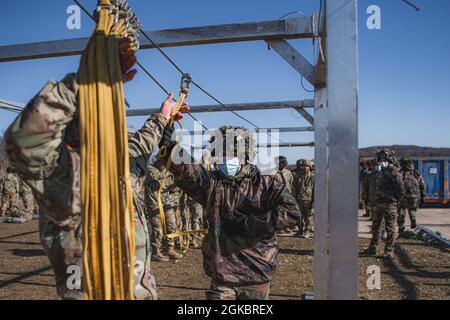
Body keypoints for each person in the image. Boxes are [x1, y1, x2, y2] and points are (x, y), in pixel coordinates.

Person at [4, 37, 188, 300]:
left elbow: (138, 145)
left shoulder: (112, 163)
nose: (116, 124)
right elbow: (24, 142)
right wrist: (81, 83)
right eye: (108, 115)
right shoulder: (68, 177)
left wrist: (162, 118)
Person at [159, 125, 301, 300]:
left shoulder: (265, 185)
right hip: (223, 278)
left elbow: (292, 213)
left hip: (257, 274)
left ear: (245, 155)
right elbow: (189, 171)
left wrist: (251, 224)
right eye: (221, 153)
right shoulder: (211, 184)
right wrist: (172, 148)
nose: (226, 158)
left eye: (231, 153)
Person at [363, 149, 405, 259]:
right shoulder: (378, 172)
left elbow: (401, 190)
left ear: (389, 160)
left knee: (390, 229)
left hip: (389, 205)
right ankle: (373, 247)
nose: (382, 162)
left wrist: (394, 200)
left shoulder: (394, 173)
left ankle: (389, 251)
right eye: (381, 160)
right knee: (376, 227)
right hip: (378, 205)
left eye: (384, 160)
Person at [145, 160, 183, 262]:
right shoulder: (150, 169)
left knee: (171, 225)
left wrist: (179, 183)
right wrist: (174, 179)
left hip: (166, 203)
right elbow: (159, 182)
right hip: (154, 204)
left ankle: (169, 249)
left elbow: (172, 187)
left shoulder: (167, 171)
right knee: (158, 229)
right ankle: (155, 251)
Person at [397, 156, 426, 236]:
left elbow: (396, 185)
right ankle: (413, 225)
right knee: (412, 210)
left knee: (401, 212)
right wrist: (423, 196)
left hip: (403, 196)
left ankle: (401, 229)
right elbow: (422, 185)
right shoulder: (416, 173)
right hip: (414, 196)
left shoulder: (400, 173)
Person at [293, 160, 315, 238]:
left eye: (307, 166)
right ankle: (300, 230)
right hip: (299, 199)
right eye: (304, 166)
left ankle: (307, 231)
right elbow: (295, 187)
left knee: (308, 217)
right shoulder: (298, 176)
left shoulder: (312, 177)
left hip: (308, 200)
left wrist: (313, 201)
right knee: (299, 216)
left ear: (310, 167)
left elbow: (314, 190)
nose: (305, 168)